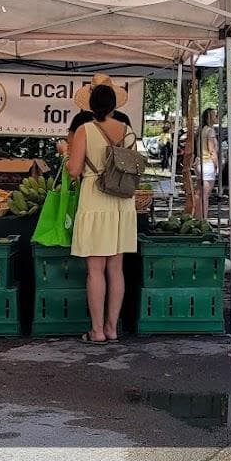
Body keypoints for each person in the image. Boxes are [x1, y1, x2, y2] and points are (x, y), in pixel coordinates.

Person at [68, 80, 138, 343]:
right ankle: (112, 328)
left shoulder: (85, 129)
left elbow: (74, 170)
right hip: (121, 202)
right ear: (113, 105)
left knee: (95, 269)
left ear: (90, 105)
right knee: (116, 268)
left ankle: (96, 330)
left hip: (95, 199)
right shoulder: (128, 131)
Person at [196, 108, 219, 218]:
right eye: (214, 115)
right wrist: (216, 165)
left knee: (200, 193)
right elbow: (212, 150)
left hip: (200, 163)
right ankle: (204, 218)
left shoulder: (202, 130)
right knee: (206, 194)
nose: (216, 117)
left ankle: (198, 216)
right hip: (208, 163)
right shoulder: (210, 131)